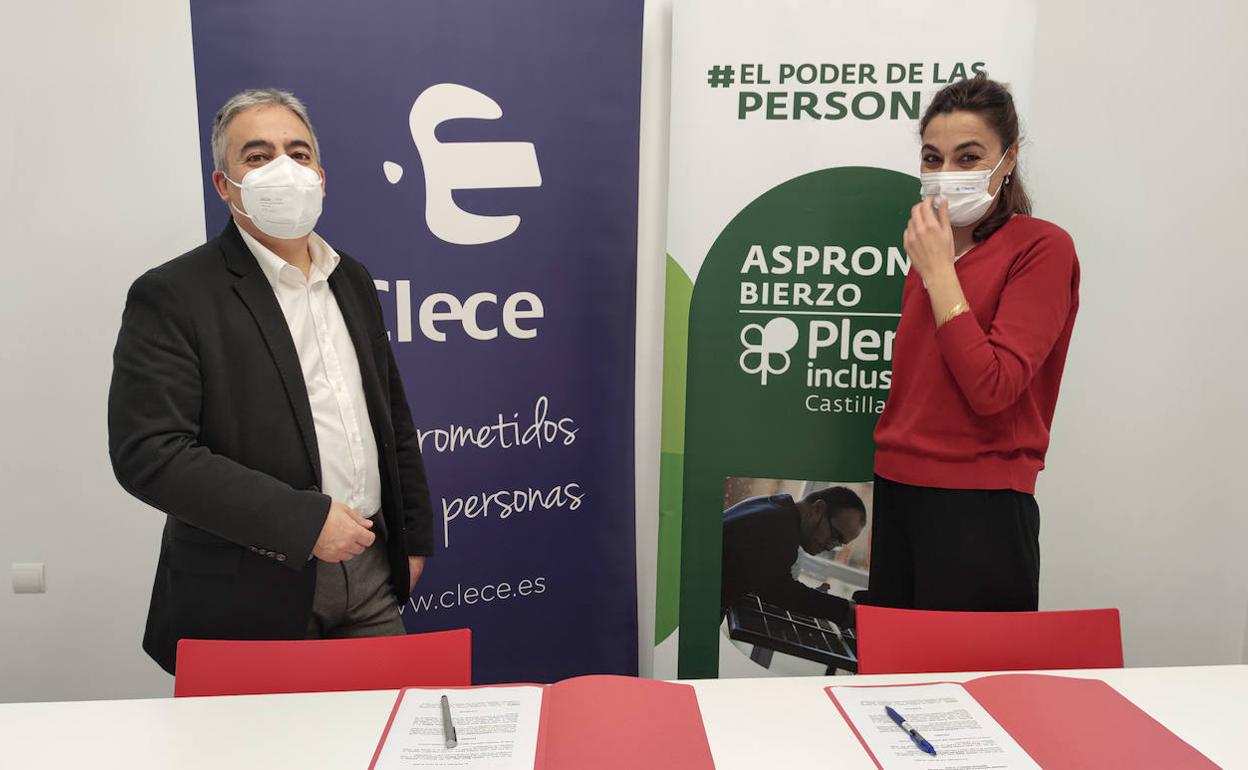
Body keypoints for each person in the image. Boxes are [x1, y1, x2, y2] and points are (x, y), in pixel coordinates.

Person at [108, 89, 434, 674]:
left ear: (321, 176)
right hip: (246, 591)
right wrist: (304, 525)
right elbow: (149, 454)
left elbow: (390, 416)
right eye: (256, 156)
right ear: (223, 184)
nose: (283, 168)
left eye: (297, 152)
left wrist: (411, 539)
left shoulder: (350, 278)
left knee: (386, 743)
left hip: (370, 576)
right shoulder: (174, 295)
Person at [869, 74, 1080, 612]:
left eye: (968, 158)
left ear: (1007, 161)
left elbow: (993, 388)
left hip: (982, 504)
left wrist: (940, 272)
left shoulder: (1041, 248)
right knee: (889, 685)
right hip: (896, 489)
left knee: (972, 686)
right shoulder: (930, 249)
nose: (945, 175)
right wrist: (936, 264)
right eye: (932, 158)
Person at [721, 487, 866, 626]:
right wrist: (845, 611)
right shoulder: (778, 525)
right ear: (818, 509)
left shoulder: (776, 508)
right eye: (835, 535)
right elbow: (779, 590)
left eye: (839, 543)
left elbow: (769, 579)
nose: (830, 547)